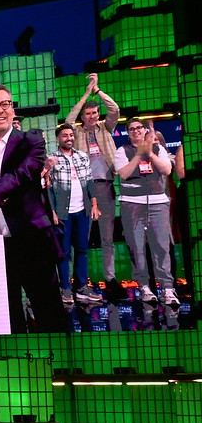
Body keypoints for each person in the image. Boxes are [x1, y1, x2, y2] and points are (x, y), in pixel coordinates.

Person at [0, 83, 68, 334]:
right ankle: (17, 365)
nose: (0, 110)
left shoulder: (32, 142)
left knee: (48, 310)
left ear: (12, 109)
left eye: (5, 104)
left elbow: (19, 177)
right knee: (6, 315)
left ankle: (61, 367)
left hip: (33, 241)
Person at [67, 73, 123, 298]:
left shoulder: (105, 128)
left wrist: (98, 91)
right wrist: (86, 95)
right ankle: (82, 280)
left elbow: (115, 110)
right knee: (83, 237)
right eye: (88, 114)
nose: (91, 116)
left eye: (94, 112)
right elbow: (69, 120)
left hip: (105, 186)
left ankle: (110, 279)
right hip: (83, 189)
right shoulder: (77, 132)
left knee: (107, 236)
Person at [116, 119, 179, 316]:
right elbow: (124, 174)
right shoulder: (122, 151)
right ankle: (144, 286)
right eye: (131, 129)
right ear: (128, 133)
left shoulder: (158, 149)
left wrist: (149, 152)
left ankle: (167, 288)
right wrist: (138, 154)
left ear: (144, 130)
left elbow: (167, 170)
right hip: (131, 204)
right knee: (137, 246)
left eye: (138, 128)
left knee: (161, 246)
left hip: (158, 202)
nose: (135, 131)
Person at [46, 121, 95, 304]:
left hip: (82, 211)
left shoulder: (82, 156)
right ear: (58, 138)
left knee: (82, 249)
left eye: (71, 135)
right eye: (65, 135)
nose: (69, 138)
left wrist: (95, 205)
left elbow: (90, 182)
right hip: (63, 214)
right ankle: (65, 288)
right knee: (64, 252)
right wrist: (52, 211)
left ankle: (82, 287)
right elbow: (48, 190)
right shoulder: (52, 159)